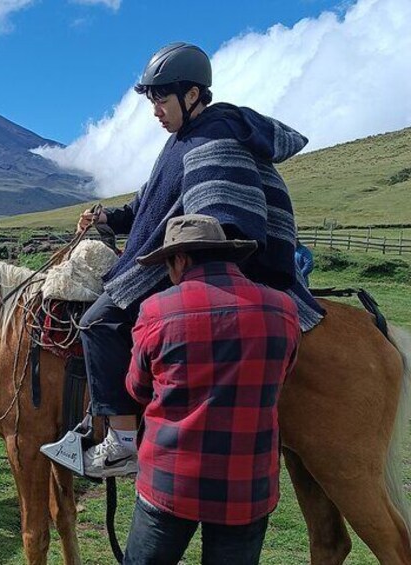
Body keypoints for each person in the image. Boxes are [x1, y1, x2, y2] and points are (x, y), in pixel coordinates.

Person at [65, 42, 323, 479]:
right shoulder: (181, 142)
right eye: (151, 101)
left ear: (192, 95)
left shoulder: (215, 137)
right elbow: (150, 206)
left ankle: (123, 443)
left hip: (204, 265)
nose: (154, 111)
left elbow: (224, 225)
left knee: (97, 321)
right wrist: (109, 216)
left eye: (161, 99)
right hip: (180, 255)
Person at [122, 214, 300, 564]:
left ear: (181, 259)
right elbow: (282, 376)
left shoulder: (156, 310)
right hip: (247, 485)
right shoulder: (283, 308)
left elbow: (137, 388)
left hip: (169, 480)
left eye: (168, 265)